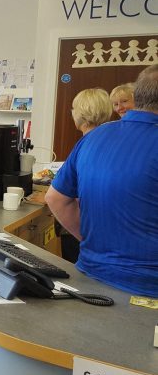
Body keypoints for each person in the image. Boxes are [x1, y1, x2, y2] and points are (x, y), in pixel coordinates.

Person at [45, 64, 158, 298]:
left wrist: (95, 244)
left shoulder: (94, 137)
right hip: (148, 291)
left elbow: (56, 198)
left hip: (91, 279)